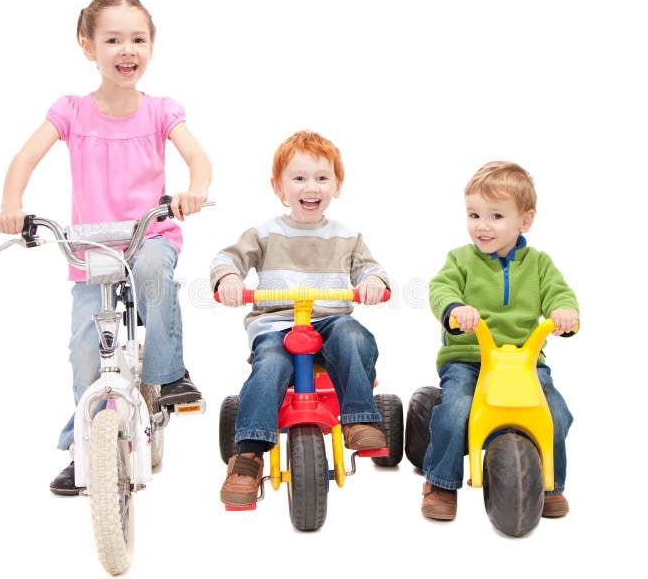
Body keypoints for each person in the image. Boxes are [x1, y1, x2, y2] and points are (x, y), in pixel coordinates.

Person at [0, 0, 212, 495]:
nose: (126, 49)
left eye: (138, 38)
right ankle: (82, 448)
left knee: (157, 273)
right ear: (88, 47)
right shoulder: (70, 111)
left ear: (152, 46)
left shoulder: (160, 111)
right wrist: (12, 204)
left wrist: (193, 190)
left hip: (147, 233)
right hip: (92, 247)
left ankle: (167, 373)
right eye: (112, 39)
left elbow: (198, 158)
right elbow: (24, 159)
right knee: (85, 351)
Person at [211, 130, 390, 507]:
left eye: (322, 178)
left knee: (353, 335)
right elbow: (228, 258)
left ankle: (359, 418)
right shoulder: (264, 233)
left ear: (337, 185)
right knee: (271, 365)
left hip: (329, 321)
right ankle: (248, 455)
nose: (311, 187)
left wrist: (373, 281)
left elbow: (370, 269)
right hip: (277, 324)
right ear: (278, 186)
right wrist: (228, 278)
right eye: (299, 178)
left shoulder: (347, 236)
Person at [422, 161, 578, 521]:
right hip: (469, 357)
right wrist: (456, 308)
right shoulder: (461, 260)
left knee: (555, 412)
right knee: (456, 409)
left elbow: (559, 294)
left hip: (525, 364)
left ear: (525, 221)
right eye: (474, 214)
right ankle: (441, 482)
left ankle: (550, 485)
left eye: (495, 216)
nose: (482, 225)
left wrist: (564, 314)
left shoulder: (539, 264)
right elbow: (440, 288)